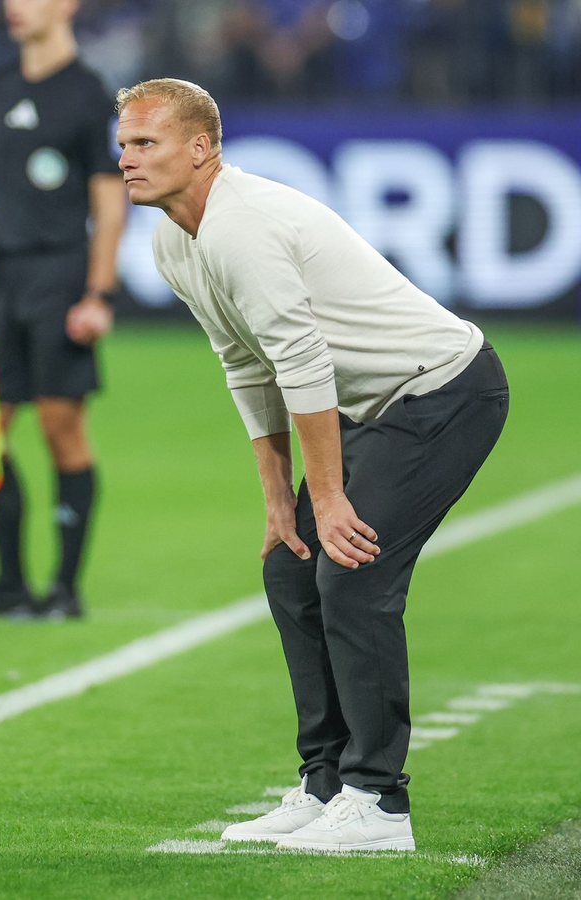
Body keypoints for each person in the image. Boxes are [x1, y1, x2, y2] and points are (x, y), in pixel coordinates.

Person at [115, 77, 507, 850]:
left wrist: (326, 499)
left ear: (200, 148)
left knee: (351, 572)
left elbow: (302, 361)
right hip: (372, 406)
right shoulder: (173, 240)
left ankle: (378, 803)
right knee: (291, 568)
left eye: (144, 143)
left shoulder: (241, 227)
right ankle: (325, 782)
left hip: (442, 392)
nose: (126, 158)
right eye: (123, 144)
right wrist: (279, 502)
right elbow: (246, 363)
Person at [0, 0, 126, 620]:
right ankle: (10, 584)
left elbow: (108, 202)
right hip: (1, 280)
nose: (14, 7)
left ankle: (65, 589)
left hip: (59, 276)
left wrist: (99, 294)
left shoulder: (88, 94)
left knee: (60, 428)